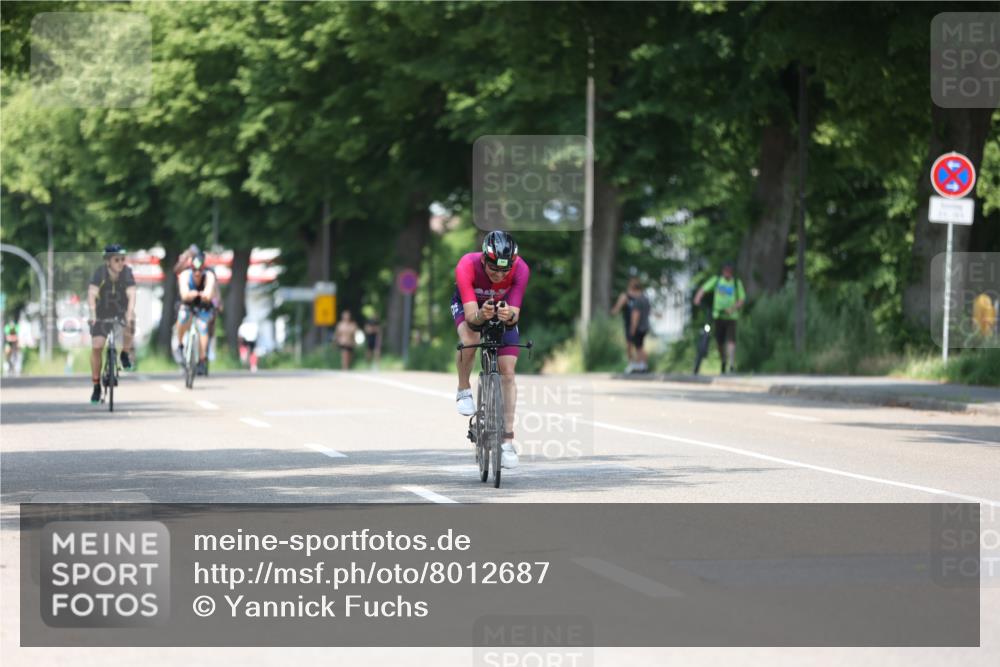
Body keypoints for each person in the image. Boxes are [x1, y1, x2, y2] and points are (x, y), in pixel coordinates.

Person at [452, 230, 530, 469]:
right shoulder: (467, 264)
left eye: (504, 271)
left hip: (501, 309)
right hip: (471, 307)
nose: (498, 276)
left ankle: (507, 440)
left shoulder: (521, 269)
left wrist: (509, 318)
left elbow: (515, 315)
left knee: (508, 371)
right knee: (469, 337)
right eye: (493, 269)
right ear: (484, 260)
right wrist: (480, 315)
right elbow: (472, 318)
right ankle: (463, 388)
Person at [87, 244, 137, 403]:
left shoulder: (127, 273)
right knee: (97, 345)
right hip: (102, 312)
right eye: (117, 260)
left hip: (120, 310)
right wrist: (93, 314)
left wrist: (129, 313)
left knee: (132, 319)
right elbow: (92, 294)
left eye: (123, 259)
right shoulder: (100, 273)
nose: (121, 262)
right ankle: (96, 386)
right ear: (108, 261)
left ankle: (124, 354)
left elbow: (132, 294)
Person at [693, 260, 746, 374]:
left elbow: (741, 299)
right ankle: (723, 361)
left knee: (731, 340)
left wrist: (732, 309)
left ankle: (731, 365)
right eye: (725, 270)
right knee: (719, 341)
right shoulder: (717, 280)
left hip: (731, 317)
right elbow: (703, 289)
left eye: (729, 271)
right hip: (717, 315)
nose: (727, 273)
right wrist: (697, 298)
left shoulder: (736, 283)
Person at [175, 251, 217, 376]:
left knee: (203, 328)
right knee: (182, 317)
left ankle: (202, 359)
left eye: (200, 270)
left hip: (203, 306)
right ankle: (180, 344)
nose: (197, 273)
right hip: (187, 303)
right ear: (191, 268)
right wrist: (193, 294)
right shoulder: (185, 275)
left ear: (204, 269)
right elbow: (184, 294)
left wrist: (203, 295)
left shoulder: (209, 275)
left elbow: (209, 294)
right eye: (194, 270)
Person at [611, 277, 651, 373]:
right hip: (640, 325)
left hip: (635, 325)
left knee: (638, 346)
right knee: (634, 346)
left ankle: (640, 365)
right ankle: (638, 365)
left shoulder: (638, 299)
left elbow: (635, 314)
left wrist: (633, 327)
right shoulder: (640, 298)